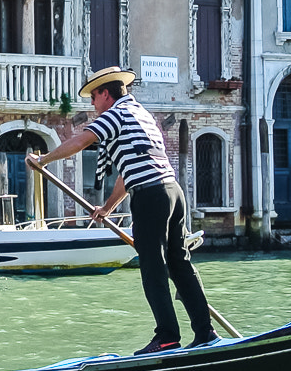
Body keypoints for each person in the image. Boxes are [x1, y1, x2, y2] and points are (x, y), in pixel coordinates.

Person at [28, 66, 217, 355]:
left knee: (153, 266)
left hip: (151, 196)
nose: (92, 103)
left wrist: (44, 159)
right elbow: (129, 171)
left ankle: (167, 336)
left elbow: (81, 141)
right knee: (179, 263)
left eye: (93, 96)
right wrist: (107, 207)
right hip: (173, 193)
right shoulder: (141, 114)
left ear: (106, 93)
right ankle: (205, 333)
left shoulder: (115, 115)